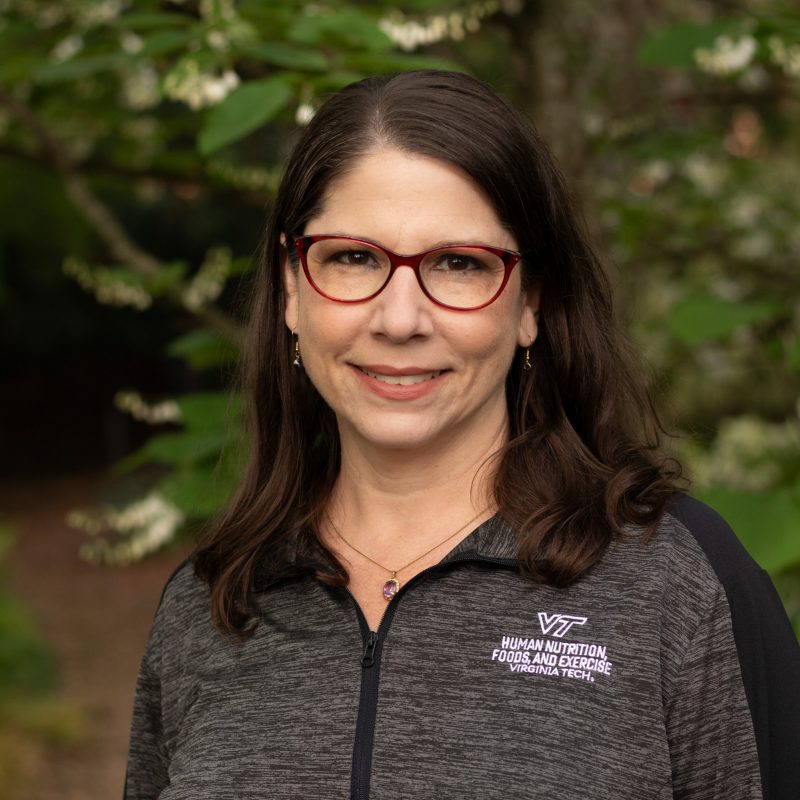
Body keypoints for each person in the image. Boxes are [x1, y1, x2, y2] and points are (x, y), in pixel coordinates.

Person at [124, 70, 799, 799]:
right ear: (292, 287)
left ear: (530, 302)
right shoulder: (209, 605)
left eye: (459, 264)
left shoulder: (678, 587)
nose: (400, 318)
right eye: (354, 258)